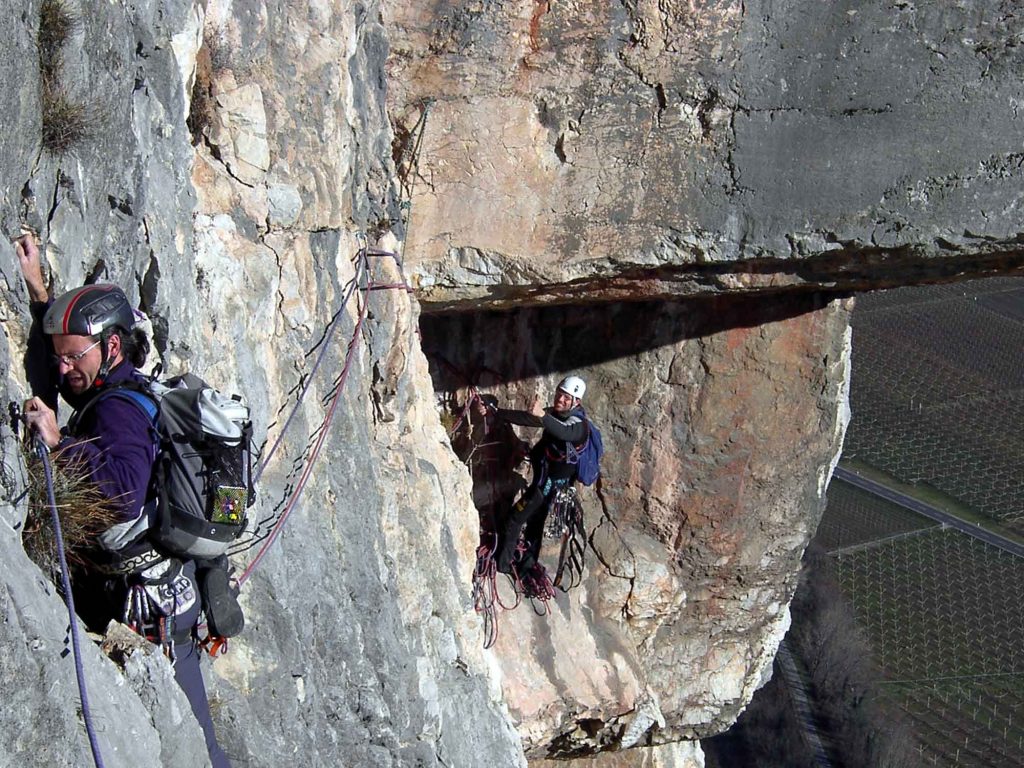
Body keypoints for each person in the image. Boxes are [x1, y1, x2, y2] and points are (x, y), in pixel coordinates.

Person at [15, 233, 231, 768]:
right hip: (168, 597)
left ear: (111, 347)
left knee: (187, 745)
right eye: (60, 358)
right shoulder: (121, 384)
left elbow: (121, 490)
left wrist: (59, 446)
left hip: (146, 608)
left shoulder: (118, 412)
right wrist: (39, 289)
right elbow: (66, 356)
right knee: (193, 735)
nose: (64, 370)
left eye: (73, 359)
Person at [475, 375, 590, 574]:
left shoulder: (579, 425)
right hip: (546, 479)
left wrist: (543, 417)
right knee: (535, 521)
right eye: (559, 394)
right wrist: (495, 412)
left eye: (566, 397)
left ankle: (502, 565)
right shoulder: (555, 413)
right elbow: (526, 418)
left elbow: (565, 433)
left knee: (515, 518)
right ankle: (527, 567)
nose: (560, 399)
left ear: (576, 402)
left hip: (549, 485)